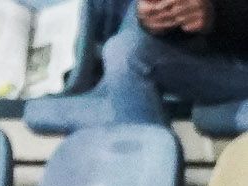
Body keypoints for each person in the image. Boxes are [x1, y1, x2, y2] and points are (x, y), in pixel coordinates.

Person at [88, 0, 248, 123]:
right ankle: (144, 162)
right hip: (221, 56)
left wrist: (216, 13)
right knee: (123, 53)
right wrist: (161, 16)